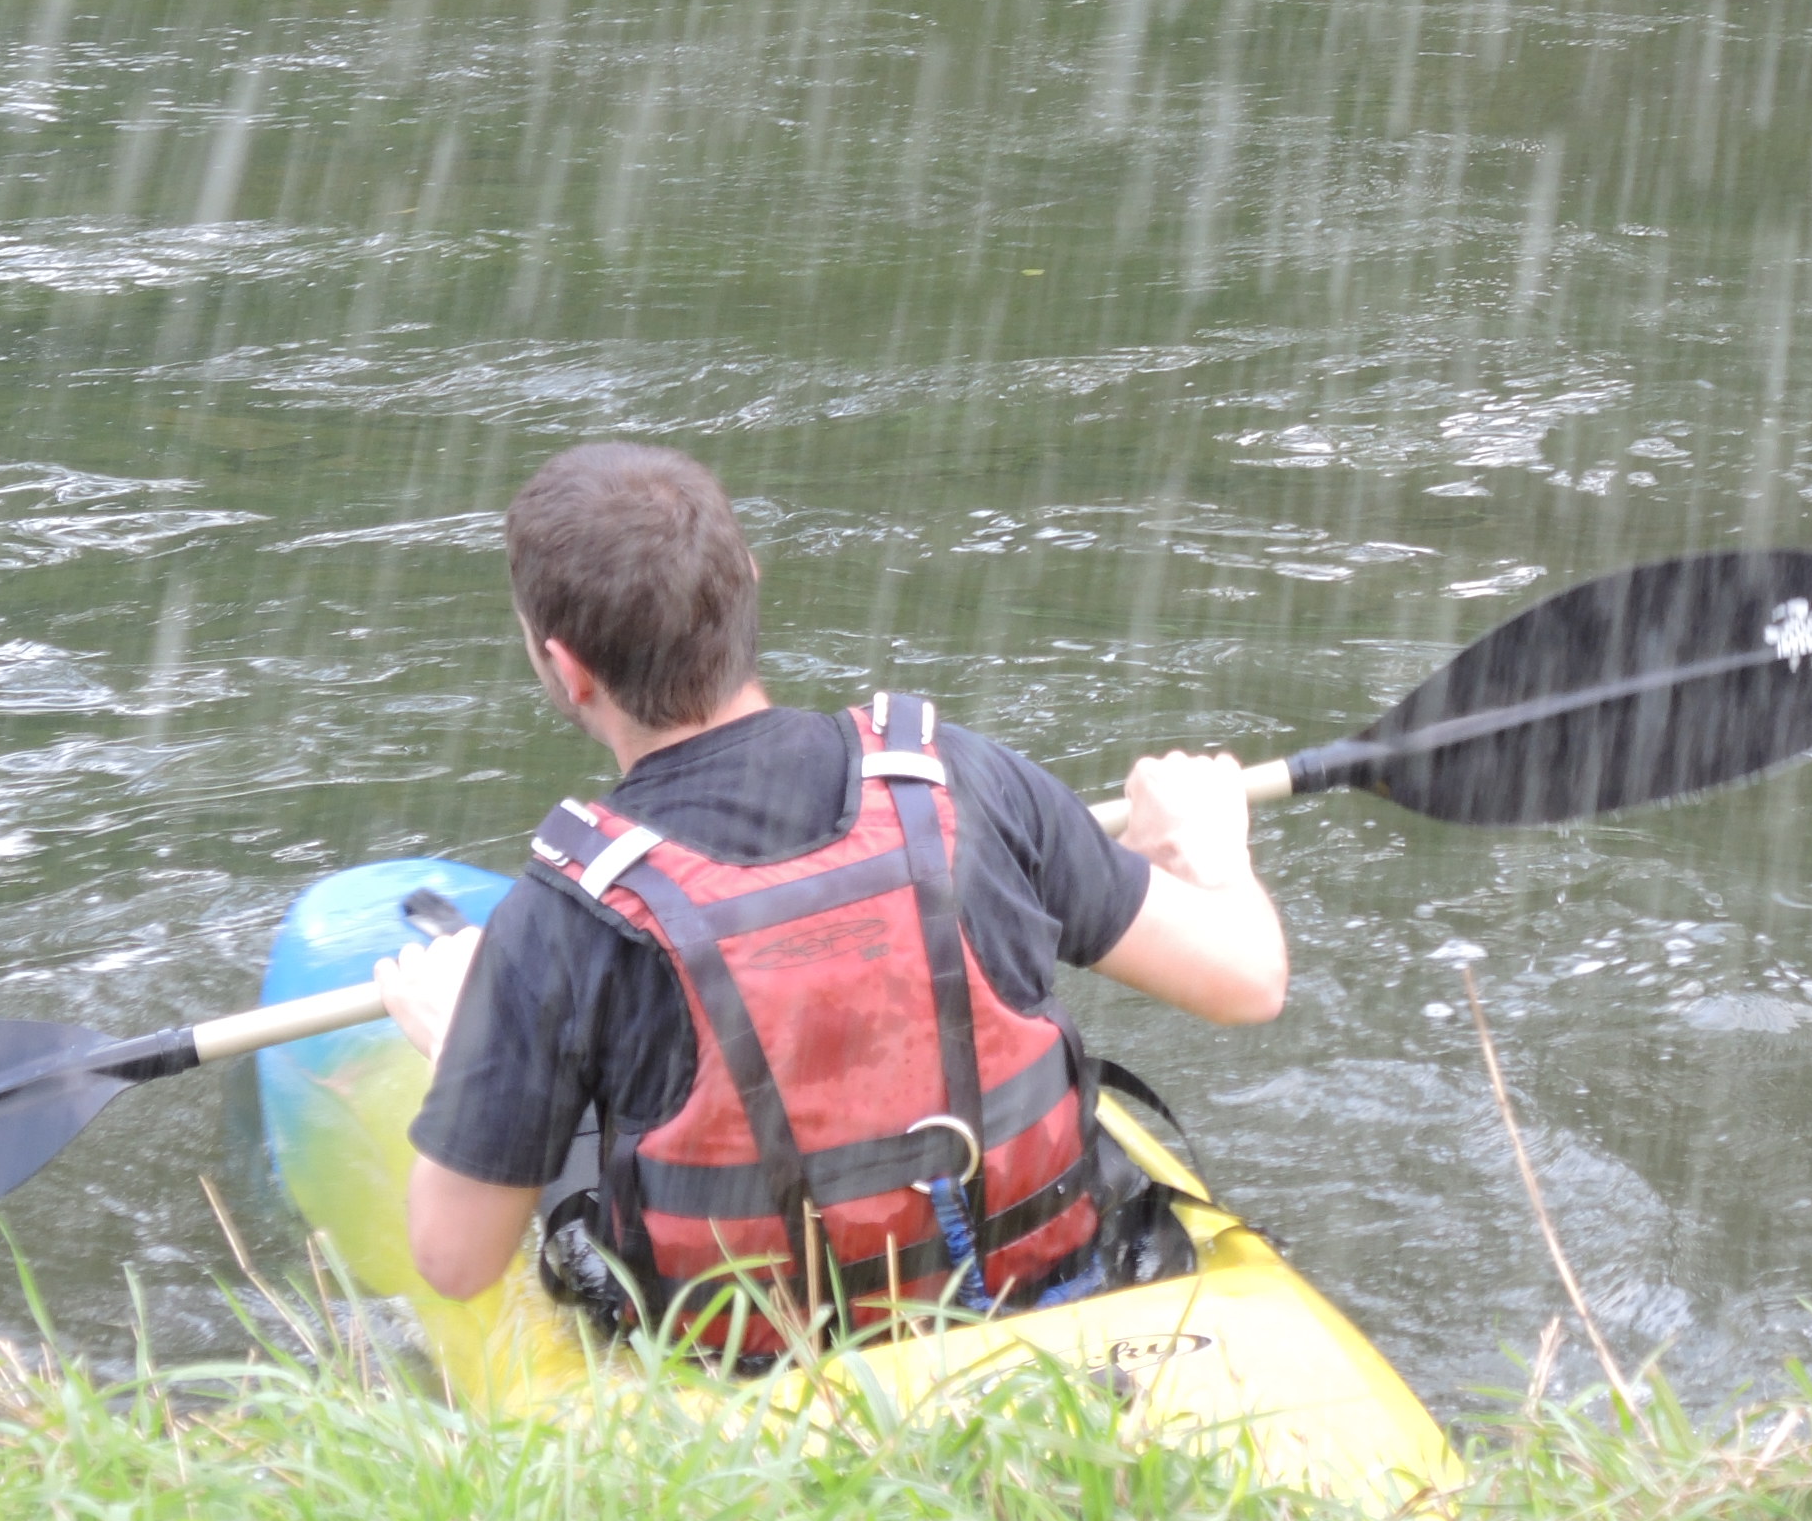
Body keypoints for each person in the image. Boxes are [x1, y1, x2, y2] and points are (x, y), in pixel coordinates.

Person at [372, 440, 1287, 1349]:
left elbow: (455, 1260)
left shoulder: (558, 920)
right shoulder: (961, 778)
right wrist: (1206, 849)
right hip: (1052, 1300)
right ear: (748, 582)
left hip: (755, 1376)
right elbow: (1248, 981)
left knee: (578, 1134)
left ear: (566, 667)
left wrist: (464, 1051)